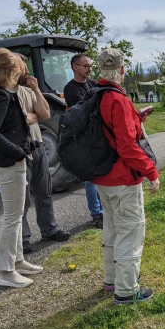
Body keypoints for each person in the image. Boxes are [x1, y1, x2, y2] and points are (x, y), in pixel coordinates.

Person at [92, 48, 160, 304]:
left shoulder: (95, 95)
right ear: (122, 70)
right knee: (130, 232)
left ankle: (112, 280)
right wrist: (151, 171)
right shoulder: (118, 100)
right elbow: (127, 146)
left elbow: (111, 131)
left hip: (101, 176)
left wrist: (137, 118)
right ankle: (127, 291)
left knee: (111, 230)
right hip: (121, 178)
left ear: (100, 68)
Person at [0, 48, 43, 288]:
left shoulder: (0, 93)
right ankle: (5, 272)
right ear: (10, 70)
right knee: (12, 217)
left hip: (10, 161)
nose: (22, 72)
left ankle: (17, 261)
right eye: (18, 68)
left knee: (16, 216)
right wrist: (18, 153)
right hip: (9, 163)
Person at [14, 54, 70, 254]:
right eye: (23, 67)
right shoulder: (3, 93)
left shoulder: (28, 91)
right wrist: (29, 117)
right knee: (22, 198)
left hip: (37, 145)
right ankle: (23, 239)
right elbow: (17, 119)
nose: (27, 71)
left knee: (44, 191)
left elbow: (45, 114)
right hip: (19, 149)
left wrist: (36, 89)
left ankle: (49, 229)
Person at [63, 53, 104, 228]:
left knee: (102, 175)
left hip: (97, 135)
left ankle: (105, 209)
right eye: (86, 66)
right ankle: (96, 213)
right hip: (84, 138)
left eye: (91, 66)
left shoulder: (93, 84)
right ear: (75, 67)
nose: (89, 69)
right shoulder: (70, 89)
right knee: (90, 179)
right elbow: (84, 111)